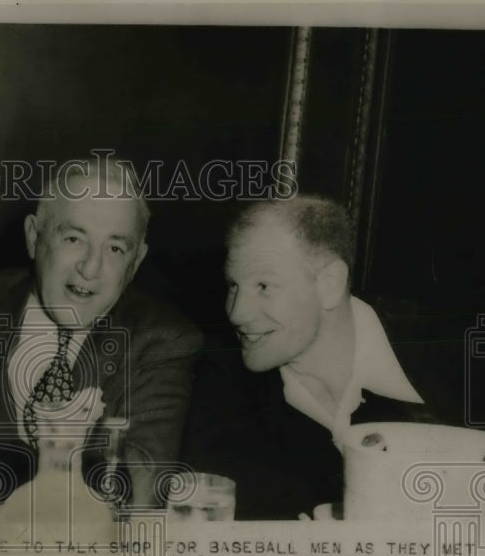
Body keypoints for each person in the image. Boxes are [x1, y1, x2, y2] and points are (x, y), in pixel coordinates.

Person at [0, 158, 203, 507]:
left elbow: (139, 488)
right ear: (33, 237)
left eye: (115, 249)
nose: (91, 267)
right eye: (74, 238)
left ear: (136, 262)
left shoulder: (162, 341)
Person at [181, 195, 467, 519]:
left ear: (330, 285)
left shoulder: (459, 356)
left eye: (264, 286)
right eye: (233, 285)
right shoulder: (223, 378)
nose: (236, 313)